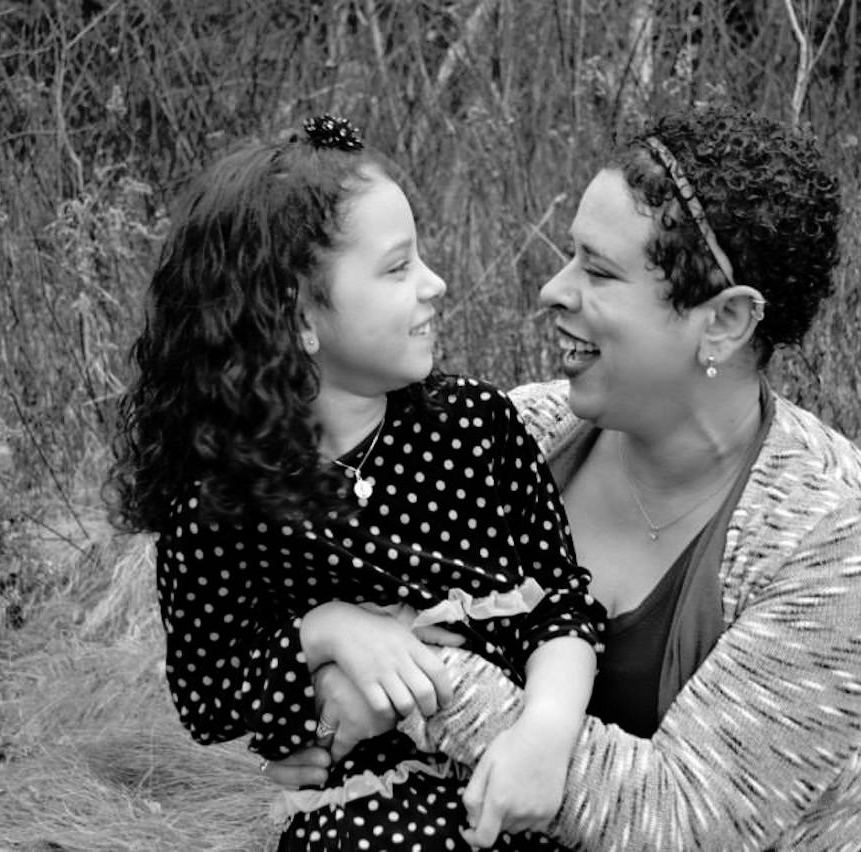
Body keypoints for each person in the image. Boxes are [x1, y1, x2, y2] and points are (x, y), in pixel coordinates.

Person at [266, 106, 861, 851]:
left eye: (600, 270)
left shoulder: (836, 530)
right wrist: (324, 652)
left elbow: (684, 818)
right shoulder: (513, 436)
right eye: (570, 255)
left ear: (726, 322)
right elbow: (315, 615)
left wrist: (412, 686)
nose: (552, 289)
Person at [109, 114, 606, 851]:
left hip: (517, 786)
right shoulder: (221, 506)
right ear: (297, 313)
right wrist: (322, 631)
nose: (434, 284)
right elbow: (208, 699)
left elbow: (561, 602)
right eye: (397, 267)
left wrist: (546, 731)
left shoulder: (472, 429)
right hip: (358, 820)